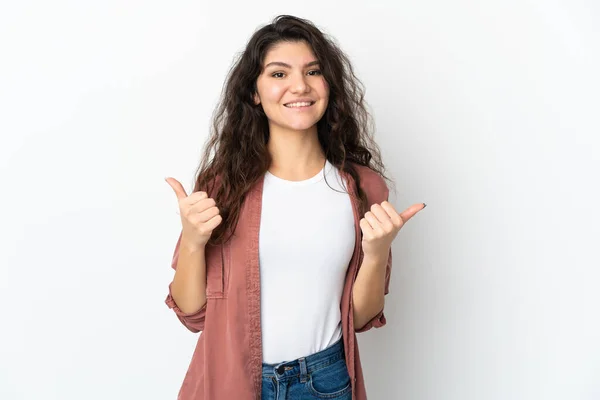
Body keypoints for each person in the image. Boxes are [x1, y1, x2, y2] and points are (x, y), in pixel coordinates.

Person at [164, 14, 425, 400]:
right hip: (231, 381)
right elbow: (192, 314)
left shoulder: (363, 188)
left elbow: (359, 318)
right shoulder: (223, 187)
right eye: (279, 74)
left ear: (329, 85)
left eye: (313, 71)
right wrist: (192, 241)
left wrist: (376, 253)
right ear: (254, 92)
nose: (299, 86)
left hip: (326, 382)